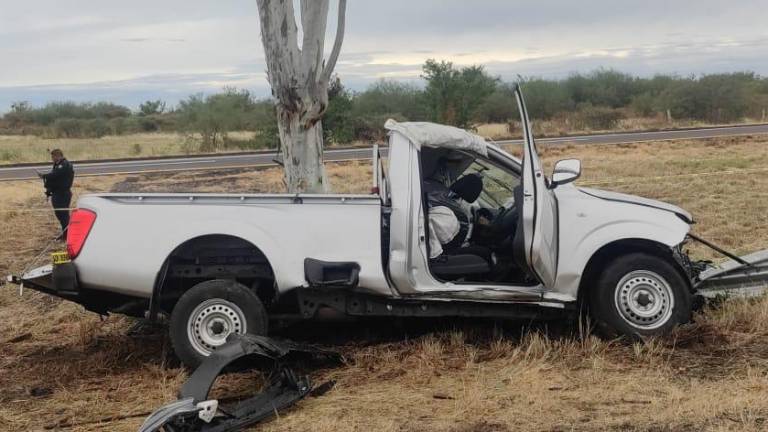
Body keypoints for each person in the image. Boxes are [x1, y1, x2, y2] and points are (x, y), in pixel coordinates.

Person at [39, 149, 74, 239]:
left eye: (53, 156)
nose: (52, 158)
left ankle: (68, 235)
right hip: (57, 193)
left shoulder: (64, 165)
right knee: (59, 214)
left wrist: (44, 176)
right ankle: (65, 233)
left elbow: (55, 175)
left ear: (58, 156)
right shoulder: (57, 165)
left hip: (62, 194)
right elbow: (54, 178)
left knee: (63, 215)